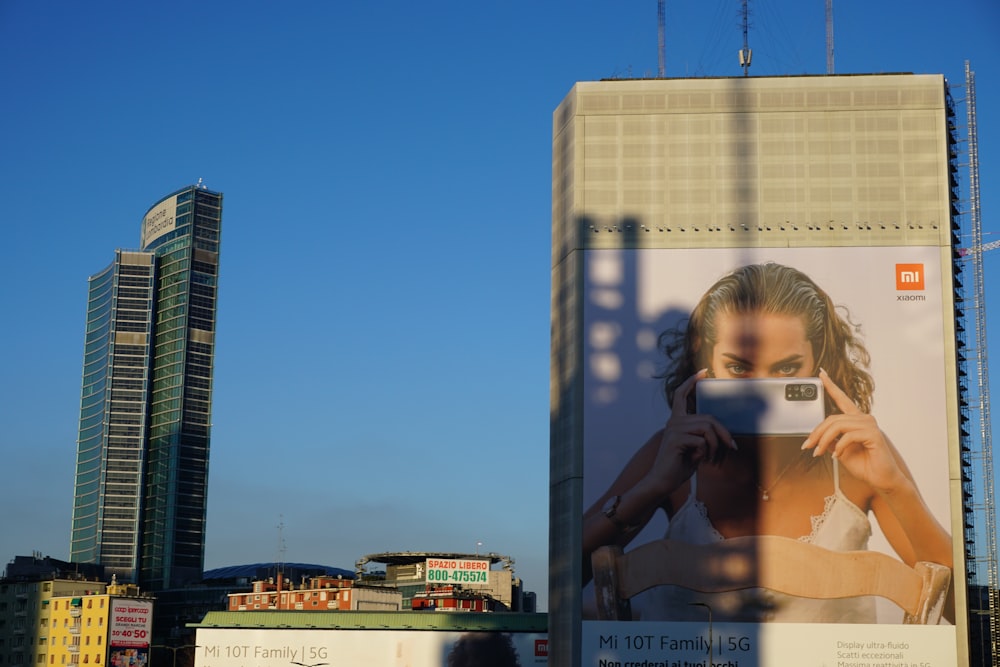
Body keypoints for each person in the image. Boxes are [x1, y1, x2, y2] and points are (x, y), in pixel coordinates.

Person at [582, 262, 953, 622]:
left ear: (819, 360)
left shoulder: (857, 454)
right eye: (739, 367)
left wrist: (895, 488)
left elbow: (961, 611)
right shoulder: (672, 454)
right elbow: (564, 579)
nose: (760, 391)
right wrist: (651, 487)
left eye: (787, 368)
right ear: (703, 357)